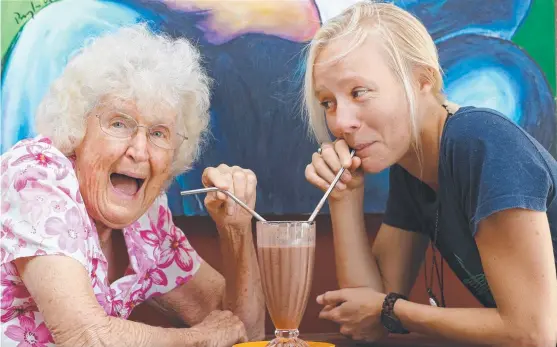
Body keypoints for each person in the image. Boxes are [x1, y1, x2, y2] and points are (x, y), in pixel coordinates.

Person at [303, 2, 557, 346]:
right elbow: (367, 324)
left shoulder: (481, 143)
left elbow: (534, 332)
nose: (340, 123)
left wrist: (393, 310)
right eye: (327, 102)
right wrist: (344, 197)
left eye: (358, 92)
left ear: (423, 80)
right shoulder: (412, 166)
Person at [0, 24, 265, 347]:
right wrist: (198, 339)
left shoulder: (148, 219)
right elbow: (84, 336)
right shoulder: (35, 174)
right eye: (119, 124)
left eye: (158, 133)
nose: (139, 151)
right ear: (78, 129)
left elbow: (245, 334)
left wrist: (236, 230)